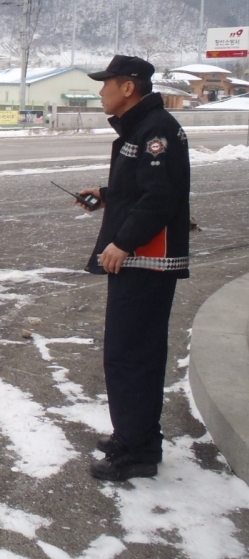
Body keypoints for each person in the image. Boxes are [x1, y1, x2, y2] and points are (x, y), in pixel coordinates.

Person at [77, 55, 191, 482]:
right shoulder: (142, 127)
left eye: (106, 83)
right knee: (126, 353)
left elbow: (160, 198)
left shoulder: (157, 129)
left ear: (128, 87)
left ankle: (138, 450)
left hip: (147, 260)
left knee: (133, 356)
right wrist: (106, 194)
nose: (101, 91)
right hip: (139, 260)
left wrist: (123, 242)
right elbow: (141, 185)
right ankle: (133, 436)